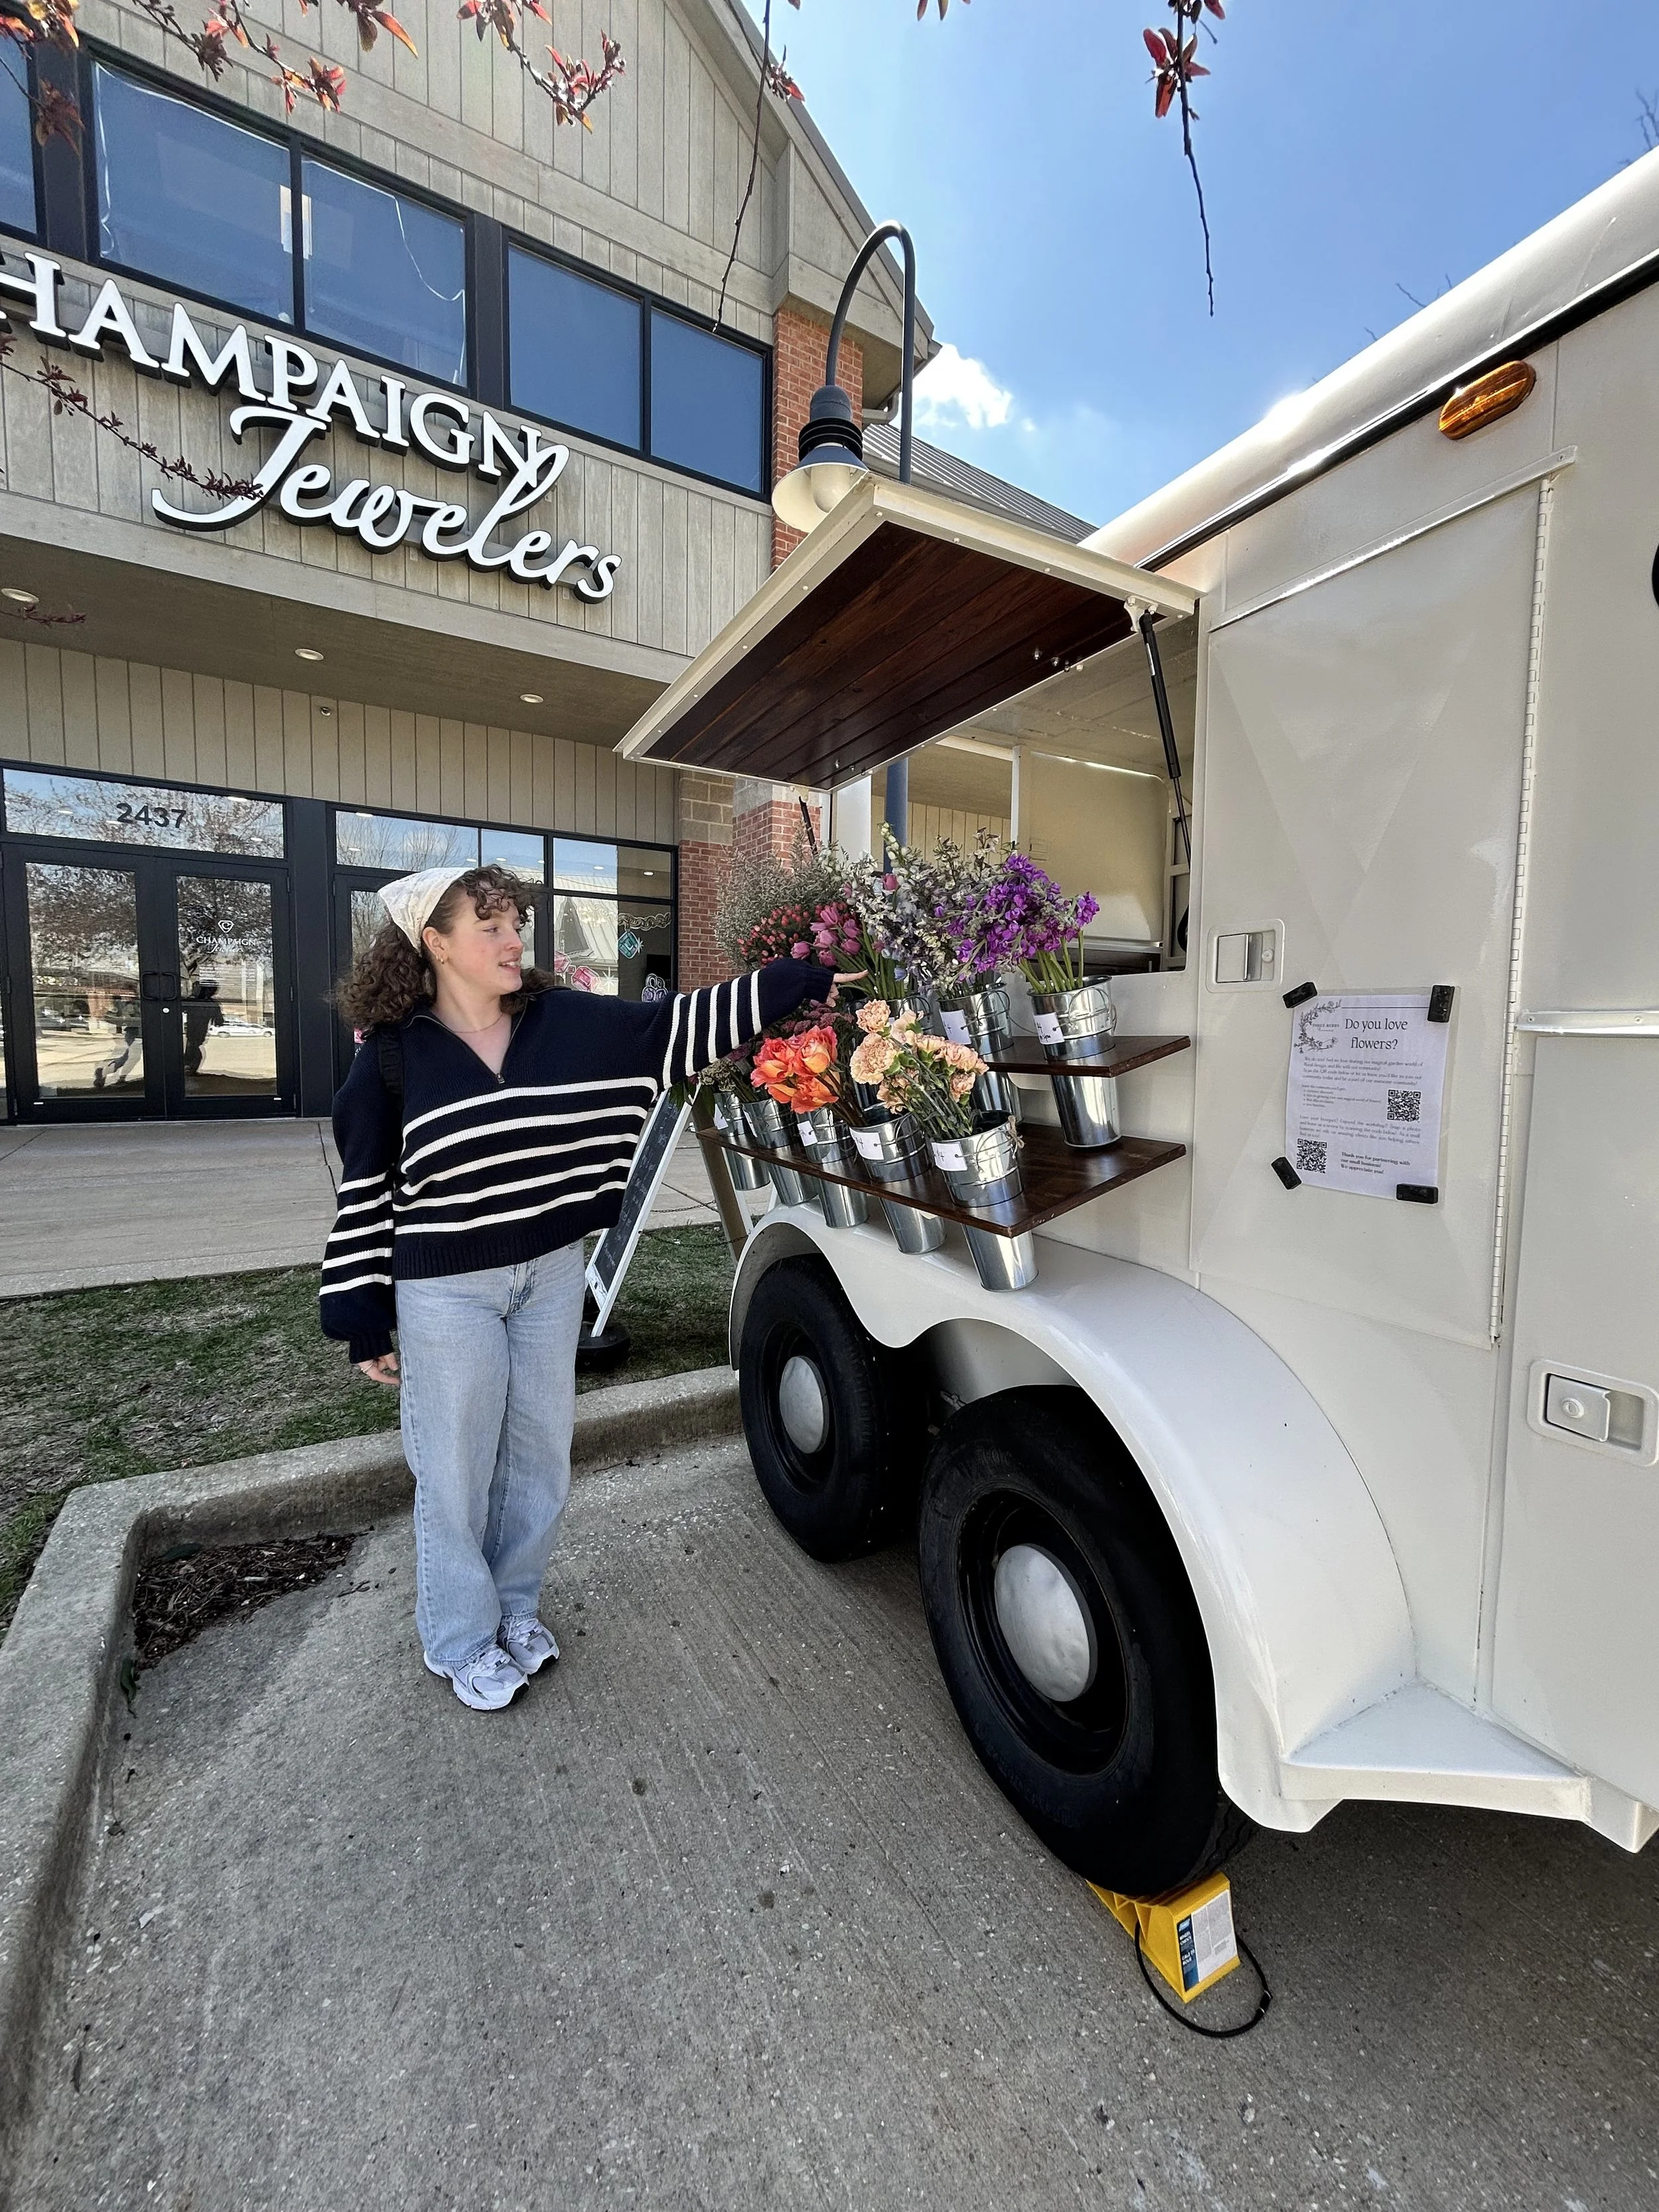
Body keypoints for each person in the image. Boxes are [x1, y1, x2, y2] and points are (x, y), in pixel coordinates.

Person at [321, 861, 844, 1713]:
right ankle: (459, 1638)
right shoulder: (390, 1059)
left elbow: (674, 1027)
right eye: (489, 926)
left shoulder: (563, 1021)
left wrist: (796, 977)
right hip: (446, 1290)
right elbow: (366, 1194)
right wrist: (362, 1317)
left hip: (553, 1274)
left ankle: (514, 1609)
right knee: (454, 1472)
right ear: (436, 944)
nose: (513, 941)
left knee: (538, 1461)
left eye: (515, 923)